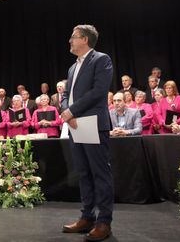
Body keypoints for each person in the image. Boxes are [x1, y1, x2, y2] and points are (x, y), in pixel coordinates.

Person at [61, 24, 113, 241]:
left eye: (73, 37)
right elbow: (65, 94)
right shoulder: (73, 67)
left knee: (100, 173)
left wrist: (71, 110)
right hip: (75, 125)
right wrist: (65, 110)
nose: (70, 41)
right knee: (83, 172)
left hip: (93, 123)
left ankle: (104, 222)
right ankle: (87, 217)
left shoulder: (101, 59)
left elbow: (99, 92)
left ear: (84, 39)